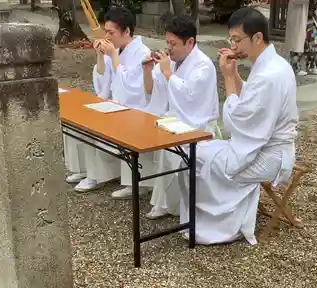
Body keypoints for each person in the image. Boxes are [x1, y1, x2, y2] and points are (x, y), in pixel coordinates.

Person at [178, 7, 298, 245]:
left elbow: (237, 123)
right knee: (193, 153)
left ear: (257, 37)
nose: (233, 46)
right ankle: (205, 219)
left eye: (237, 40)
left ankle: (221, 226)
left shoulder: (269, 74)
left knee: (194, 159)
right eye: (230, 39)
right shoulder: (271, 63)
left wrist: (227, 77)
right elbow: (251, 101)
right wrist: (234, 76)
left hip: (269, 155)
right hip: (260, 145)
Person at [63, 7, 155, 196]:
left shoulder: (142, 52)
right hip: (116, 103)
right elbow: (102, 84)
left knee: (97, 125)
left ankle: (126, 182)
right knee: (82, 121)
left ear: (127, 31)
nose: (107, 36)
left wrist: (113, 56)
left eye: (111, 32)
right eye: (106, 31)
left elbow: (132, 89)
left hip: (136, 107)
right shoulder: (118, 49)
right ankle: (90, 171)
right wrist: (100, 55)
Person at [142, 15, 219, 219]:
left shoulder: (204, 66)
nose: (169, 48)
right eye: (167, 42)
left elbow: (191, 98)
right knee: (159, 137)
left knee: (170, 148)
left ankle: (175, 204)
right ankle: (165, 201)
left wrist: (167, 74)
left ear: (190, 42)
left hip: (198, 124)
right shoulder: (174, 61)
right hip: (177, 120)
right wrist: (150, 70)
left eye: (173, 44)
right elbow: (154, 92)